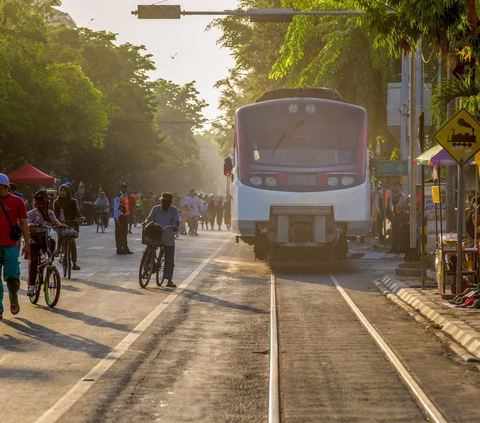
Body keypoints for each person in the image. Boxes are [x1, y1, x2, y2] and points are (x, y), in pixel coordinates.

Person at [0, 174, 30, 319]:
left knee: (12, 276)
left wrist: (27, 244)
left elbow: (24, 223)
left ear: (4, 186)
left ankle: (13, 298)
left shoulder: (17, 201)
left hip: (11, 245)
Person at [27, 191, 67, 296]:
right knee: (34, 261)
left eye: (46, 201)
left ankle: (49, 264)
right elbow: (26, 223)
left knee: (52, 242)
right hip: (34, 240)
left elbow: (55, 222)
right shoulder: (31, 213)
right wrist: (30, 225)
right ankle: (31, 286)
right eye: (42, 201)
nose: (44, 203)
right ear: (36, 202)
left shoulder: (49, 213)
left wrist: (60, 225)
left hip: (45, 238)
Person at [145, 192, 179, 288]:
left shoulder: (174, 210)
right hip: (156, 234)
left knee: (169, 258)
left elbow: (176, 220)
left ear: (170, 202)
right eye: (162, 201)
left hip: (168, 235)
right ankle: (147, 268)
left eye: (165, 201)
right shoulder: (156, 209)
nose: (163, 203)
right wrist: (145, 223)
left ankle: (169, 280)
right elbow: (149, 219)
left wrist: (175, 226)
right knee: (149, 250)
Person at [54, 184, 84, 270]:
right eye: (61, 190)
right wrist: (54, 222)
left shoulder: (72, 201)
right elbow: (55, 214)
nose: (63, 192)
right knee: (61, 235)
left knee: (72, 243)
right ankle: (58, 249)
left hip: (71, 224)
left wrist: (80, 217)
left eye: (64, 191)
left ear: (68, 192)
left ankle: (74, 263)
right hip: (60, 223)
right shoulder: (56, 202)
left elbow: (76, 212)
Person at [113, 183, 133, 254]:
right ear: (120, 188)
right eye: (123, 188)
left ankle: (125, 248)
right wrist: (116, 218)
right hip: (119, 217)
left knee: (124, 233)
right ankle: (119, 249)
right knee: (119, 233)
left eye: (125, 188)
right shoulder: (118, 197)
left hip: (124, 216)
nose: (124, 189)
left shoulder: (126, 196)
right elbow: (116, 208)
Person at [388, 183, 407, 253]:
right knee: (394, 233)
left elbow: (404, 206)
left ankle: (401, 248)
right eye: (395, 187)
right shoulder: (394, 196)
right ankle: (394, 248)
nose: (396, 188)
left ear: (400, 187)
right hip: (395, 216)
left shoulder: (402, 196)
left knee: (400, 233)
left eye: (397, 187)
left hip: (400, 216)